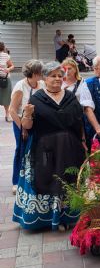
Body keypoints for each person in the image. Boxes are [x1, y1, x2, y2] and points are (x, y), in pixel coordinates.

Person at [14, 61, 86, 231]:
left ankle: (67, 218)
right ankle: (45, 220)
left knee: (68, 181)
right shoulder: (36, 98)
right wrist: (28, 115)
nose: (57, 79)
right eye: (53, 76)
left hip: (69, 149)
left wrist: (83, 142)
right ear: (45, 78)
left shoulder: (70, 97)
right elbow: (27, 127)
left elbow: (78, 123)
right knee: (47, 182)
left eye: (60, 76)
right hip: (45, 150)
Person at [9, 59, 45, 194]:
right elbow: (12, 110)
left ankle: (33, 179)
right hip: (20, 121)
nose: (42, 74)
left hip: (37, 122)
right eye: (40, 71)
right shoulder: (20, 86)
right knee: (21, 150)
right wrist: (22, 128)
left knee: (36, 149)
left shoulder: (41, 84)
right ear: (34, 73)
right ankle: (16, 182)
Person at [0, 42, 14, 121]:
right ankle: (7, 115)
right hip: (5, 78)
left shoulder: (6, 56)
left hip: (5, 79)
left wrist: (8, 69)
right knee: (6, 98)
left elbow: (12, 65)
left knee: (6, 98)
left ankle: (7, 115)